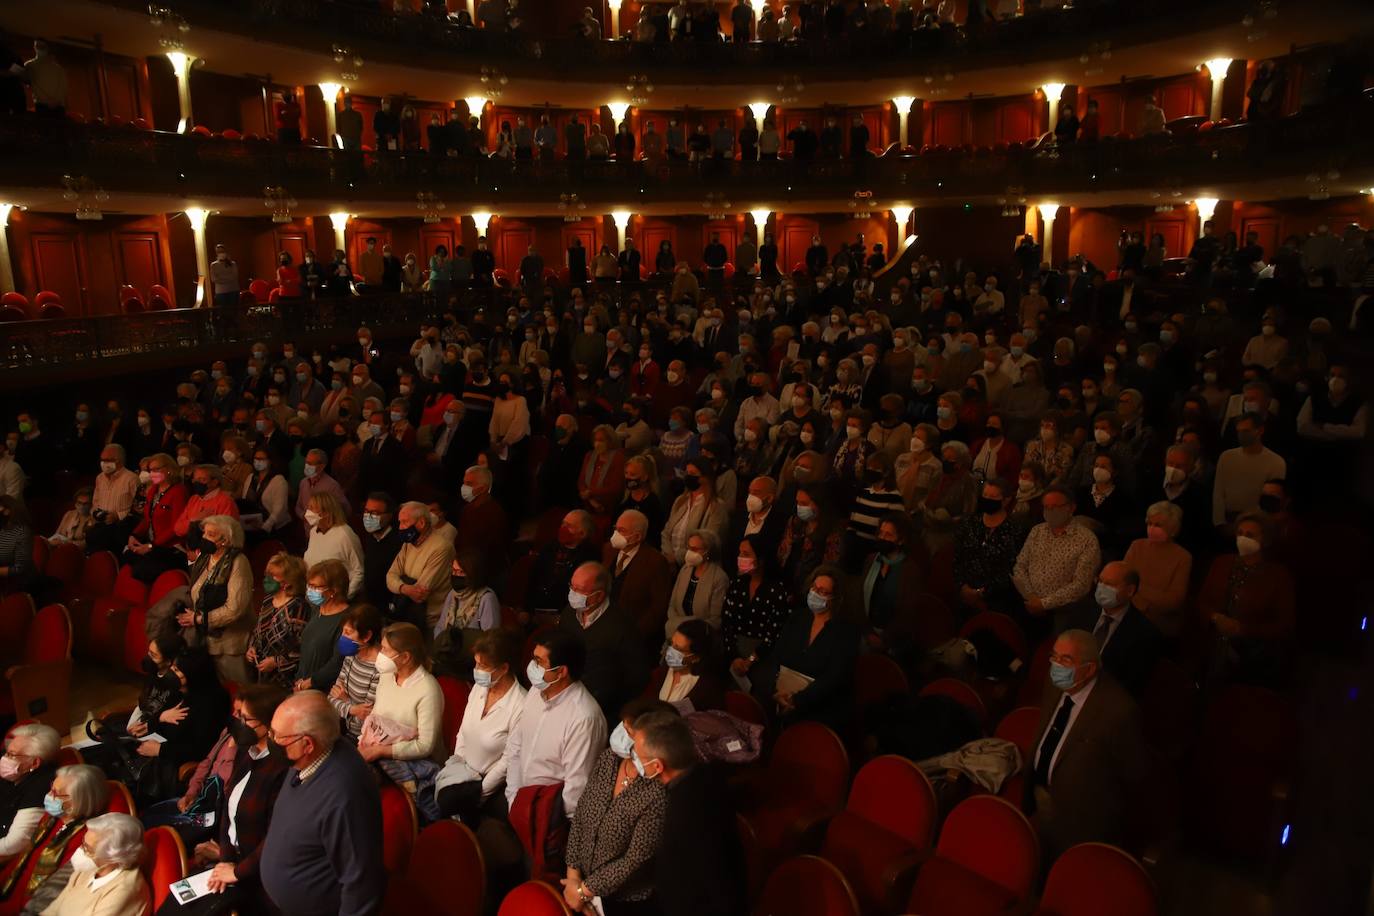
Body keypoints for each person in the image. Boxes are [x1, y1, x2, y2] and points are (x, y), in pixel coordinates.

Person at [161, 685, 291, 916]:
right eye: (239, 715)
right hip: (229, 862)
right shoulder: (245, 751)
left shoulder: (281, 769)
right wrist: (225, 858)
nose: (238, 722)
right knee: (173, 903)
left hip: (258, 876)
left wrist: (236, 871)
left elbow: (275, 839)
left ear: (270, 723)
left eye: (246, 718)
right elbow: (227, 814)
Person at [1025, 629, 1148, 858]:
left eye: (1066, 660)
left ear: (1089, 669)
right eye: (1053, 656)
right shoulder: (1054, 684)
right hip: (1040, 803)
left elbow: (1133, 776)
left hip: (1081, 824)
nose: (1056, 665)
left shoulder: (1119, 712)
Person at [260, 692, 385, 916]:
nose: (271, 740)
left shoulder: (345, 794)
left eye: (277, 736)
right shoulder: (307, 758)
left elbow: (361, 883)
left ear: (307, 743)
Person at [562, 699, 668, 915]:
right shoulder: (609, 759)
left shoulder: (658, 790)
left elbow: (634, 860)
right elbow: (582, 812)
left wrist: (585, 892)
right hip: (579, 880)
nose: (621, 734)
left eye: (629, 731)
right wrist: (573, 876)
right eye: (623, 726)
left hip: (625, 899)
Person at [638, 712, 745, 916]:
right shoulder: (705, 773)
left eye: (639, 756)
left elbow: (704, 877)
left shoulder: (684, 810)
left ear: (657, 765)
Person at [504, 629, 609, 819]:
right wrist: (513, 800)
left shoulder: (584, 718)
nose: (532, 666)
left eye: (539, 662)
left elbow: (576, 790)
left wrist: (537, 818)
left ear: (561, 671)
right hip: (519, 803)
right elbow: (515, 747)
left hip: (548, 817)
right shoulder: (536, 692)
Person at [433, 629, 525, 826]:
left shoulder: (520, 705)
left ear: (503, 668)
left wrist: (476, 794)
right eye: (476, 663)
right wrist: (457, 770)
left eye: (483, 665)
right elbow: (463, 732)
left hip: (489, 788)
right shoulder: (479, 688)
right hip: (462, 775)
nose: (477, 670)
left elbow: (507, 762)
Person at [1197, 512, 1295, 687]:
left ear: (1265, 539)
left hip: (1251, 653)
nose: (1243, 538)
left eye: (1250, 535)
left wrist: (1243, 629)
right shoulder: (1222, 563)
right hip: (1211, 644)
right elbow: (1202, 601)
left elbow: (1284, 624)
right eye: (1240, 533)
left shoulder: (1278, 576)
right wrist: (1215, 617)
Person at [357, 624, 445, 820]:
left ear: (405, 657)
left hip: (416, 762)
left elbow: (425, 746)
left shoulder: (428, 690)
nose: (381, 654)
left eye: (386, 650)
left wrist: (379, 751)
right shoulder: (387, 676)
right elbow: (378, 719)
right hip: (381, 751)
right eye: (382, 648)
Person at [756, 566, 858, 731]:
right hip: (783, 695)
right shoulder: (798, 617)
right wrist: (775, 690)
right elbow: (777, 655)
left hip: (821, 706)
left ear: (835, 598)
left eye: (823, 592)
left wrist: (797, 700)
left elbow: (834, 677)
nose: (815, 594)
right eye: (814, 588)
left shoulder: (846, 632)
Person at [3, 764, 108, 914]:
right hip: (10, 891)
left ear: (79, 800)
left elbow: (56, 890)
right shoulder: (51, 818)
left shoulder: (87, 838)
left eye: (57, 793)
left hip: (33, 906)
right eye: (52, 788)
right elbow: (23, 859)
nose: (49, 795)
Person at [560, 562, 649, 724]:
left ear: (599, 596)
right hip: (566, 698)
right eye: (571, 587)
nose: (572, 593)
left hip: (601, 710)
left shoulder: (623, 626)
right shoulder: (569, 614)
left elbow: (635, 677)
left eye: (579, 590)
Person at [1011, 487, 1100, 635]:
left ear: (1071, 508)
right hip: (1029, 604)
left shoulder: (1087, 540)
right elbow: (1020, 566)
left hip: (1062, 613)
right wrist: (1031, 597)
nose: (1051, 511)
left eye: (1056, 507)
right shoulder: (1037, 531)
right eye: (1047, 507)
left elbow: (1081, 585)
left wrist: (1044, 604)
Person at [178, 515, 254, 685]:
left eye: (210, 534)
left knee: (239, 695)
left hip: (230, 644)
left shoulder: (238, 562)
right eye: (204, 533)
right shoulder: (205, 558)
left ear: (225, 540)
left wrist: (199, 619)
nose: (204, 538)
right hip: (206, 640)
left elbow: (234, 609)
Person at [1074, 562, 1163, 699]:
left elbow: (1130, 685)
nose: (1101, 588)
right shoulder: (1082, 611)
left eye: (1110, 584)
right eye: (1101, 581)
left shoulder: (1145, 634)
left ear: (1130, 591)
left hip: (1105, 699)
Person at [39, 813, 148, 915]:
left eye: (88, 849)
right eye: (83, 844)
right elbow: (53, 910)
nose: (80, 850)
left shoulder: (124, 891)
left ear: (113, 857)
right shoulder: (87, 871)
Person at [1121, 502, 1193, 636]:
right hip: (1126, 612)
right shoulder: (1137, 546)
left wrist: (1138, 590)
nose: (1152, 528)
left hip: (1157, 623)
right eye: (1150, 524)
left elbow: (1174, 601)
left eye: (1158, 525)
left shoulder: (1183, 557)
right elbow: (1122, 581)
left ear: (1173, 528)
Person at [386, 502, 454, 631]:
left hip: (430, 622)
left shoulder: (441, 547)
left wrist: (400, 584)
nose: (400, 527)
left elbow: (420, 592)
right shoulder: (408, 544)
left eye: (405, 522)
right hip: (407, 615)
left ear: (421, 523)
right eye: (399, 522)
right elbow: (389, 576)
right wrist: (404, 587)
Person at [1211, 415, 1286, 527]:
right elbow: (1218, 492)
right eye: (1239, 431)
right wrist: (1220, 522)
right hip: (1228, 519)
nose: (1241, 435)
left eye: (1246, 431)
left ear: (1260, 430)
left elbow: (1271, 500)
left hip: (1257, 522)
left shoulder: (1276, 462)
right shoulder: (1226, 457)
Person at [0, 724, 60, 863]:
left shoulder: (42, 786)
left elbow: (15, 843)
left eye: (11, 755)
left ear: (34, 763)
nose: (4, 759)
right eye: (6, 753)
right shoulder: (11, 777)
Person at [326, 605, 383, 742]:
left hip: (364, 739)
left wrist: (346, 701)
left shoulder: (379, 669)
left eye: (348, 632)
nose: (342, 637)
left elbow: (366, 719)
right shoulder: (351, 655)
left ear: (367, 636)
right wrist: (352, 708)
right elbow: (331, 700)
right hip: (344, 730)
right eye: (343, 632)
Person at [294, 560, 352, 693]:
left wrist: (310, 682)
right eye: (309, 585)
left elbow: (337, 662)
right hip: (302, 684)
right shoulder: (316, 610)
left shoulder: (347, 619)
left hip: (322, 690)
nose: (310, 590)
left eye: (315, 587)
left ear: (334, 590)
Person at [647, 619, 726, 713]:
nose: (671, 651)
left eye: (678, 649)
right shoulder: (666, 667)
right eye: (672, 643)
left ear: (696, 657)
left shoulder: (708, 688)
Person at [664, 530, 729, 641]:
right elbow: (672, 605)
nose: (689, 552)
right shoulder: (685, 570)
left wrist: (686, 629)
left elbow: (715, 620)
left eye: (694, 549)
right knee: (671, 658)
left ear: (707, 551)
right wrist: (675, 626)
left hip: (700, 639)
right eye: (688, 548)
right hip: (675, 633)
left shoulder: (719, 578)